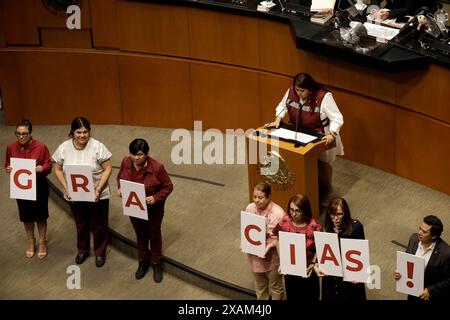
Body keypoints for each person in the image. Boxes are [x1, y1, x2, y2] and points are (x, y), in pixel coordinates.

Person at [265, 73, 344, 207]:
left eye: (302, 91)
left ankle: (326, 193)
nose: (299, 93)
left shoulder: (323, 97)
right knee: (296, 161)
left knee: (322, 165)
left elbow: (337, 118)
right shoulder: (291, 91)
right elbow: (282, 105)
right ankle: (304, 193)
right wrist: (278, 119)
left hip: (320, 135)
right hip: (297, 132)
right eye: (297, 90)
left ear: (310, 89)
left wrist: (332, 133)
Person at [52, 117, 112, 268]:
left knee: (99, 224)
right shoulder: (64, 147)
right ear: (73, 132)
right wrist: (67, 188)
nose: (82, 135)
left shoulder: (98, 146)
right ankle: (82, 250)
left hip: (97, 193)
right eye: (78, 132)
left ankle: (99, 253)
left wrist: (98, 189)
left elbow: (108, 169)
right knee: (81, 223)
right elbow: (57, 169)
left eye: (85, 132)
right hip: (75, 194)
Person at [116, 138, 173, 283]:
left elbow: (168, 186)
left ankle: (156, 263)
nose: (136, 158)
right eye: (133, 154)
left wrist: (155, 197)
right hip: (134, 206)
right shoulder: (126, 162)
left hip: (153, 209)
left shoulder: (157, 168)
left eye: (140, 154)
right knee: (140, 234)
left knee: (153, 235)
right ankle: (143, 261)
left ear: (147, 154)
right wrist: (120, 188)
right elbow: (120, 177)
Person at [5, 119, 52, 259]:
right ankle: (31, 241)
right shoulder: (11, 147)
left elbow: (49, 164)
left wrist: (42, 168)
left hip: (39, 186)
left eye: (24, 134)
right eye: (18, 134)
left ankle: (43, 241)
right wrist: (8, 168)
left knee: (40, 216)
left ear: (31, 133)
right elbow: (7, 163)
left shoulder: (41, 147)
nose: (21, 137)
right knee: (26, 216)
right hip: (21, 188)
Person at [315, 197, 367, 301]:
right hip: (331, 279)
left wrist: (360, 275)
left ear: (346, 213)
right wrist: (317, 266)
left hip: (348, 280)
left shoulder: (356, 228)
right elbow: (322, 253)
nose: (335, 218)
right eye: (332, 214)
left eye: (339, 214)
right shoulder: (325, 228)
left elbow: (361, 255)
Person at [272, 194, 321, 301]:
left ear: (305, 210)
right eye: (291, 210)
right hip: (291, 269)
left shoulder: (314, 226)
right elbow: (278, 238)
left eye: (297, 211)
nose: (293, 214)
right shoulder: (285, 221)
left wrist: (313, 264)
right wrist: (283, 261)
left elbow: (321, 248)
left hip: (307, 272)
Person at [244, 182, 285, 300]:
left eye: (260, 197)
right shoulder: (250, 208)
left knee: (276, 287)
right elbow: (247, 229)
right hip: (255, 256)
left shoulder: (278, 214)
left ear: (268, 197)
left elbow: (280, 238)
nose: (256, 200)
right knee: (260, 287)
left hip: (272, 258)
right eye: (254, 197)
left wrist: (270, 245)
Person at [394, 215, 450, 301]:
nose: (419, 232)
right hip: (412, 292)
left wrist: (431, 291)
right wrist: (401, 272)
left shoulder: (446, 253)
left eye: (424, 232)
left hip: (431, 296)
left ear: (434, 236)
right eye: (420, 228)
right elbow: (408, 260)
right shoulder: (413, 239)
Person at [370, 0, 438, 20]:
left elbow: (408, 9)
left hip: (410, 15)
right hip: (391, 10)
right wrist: (374, 9)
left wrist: (389, 14)